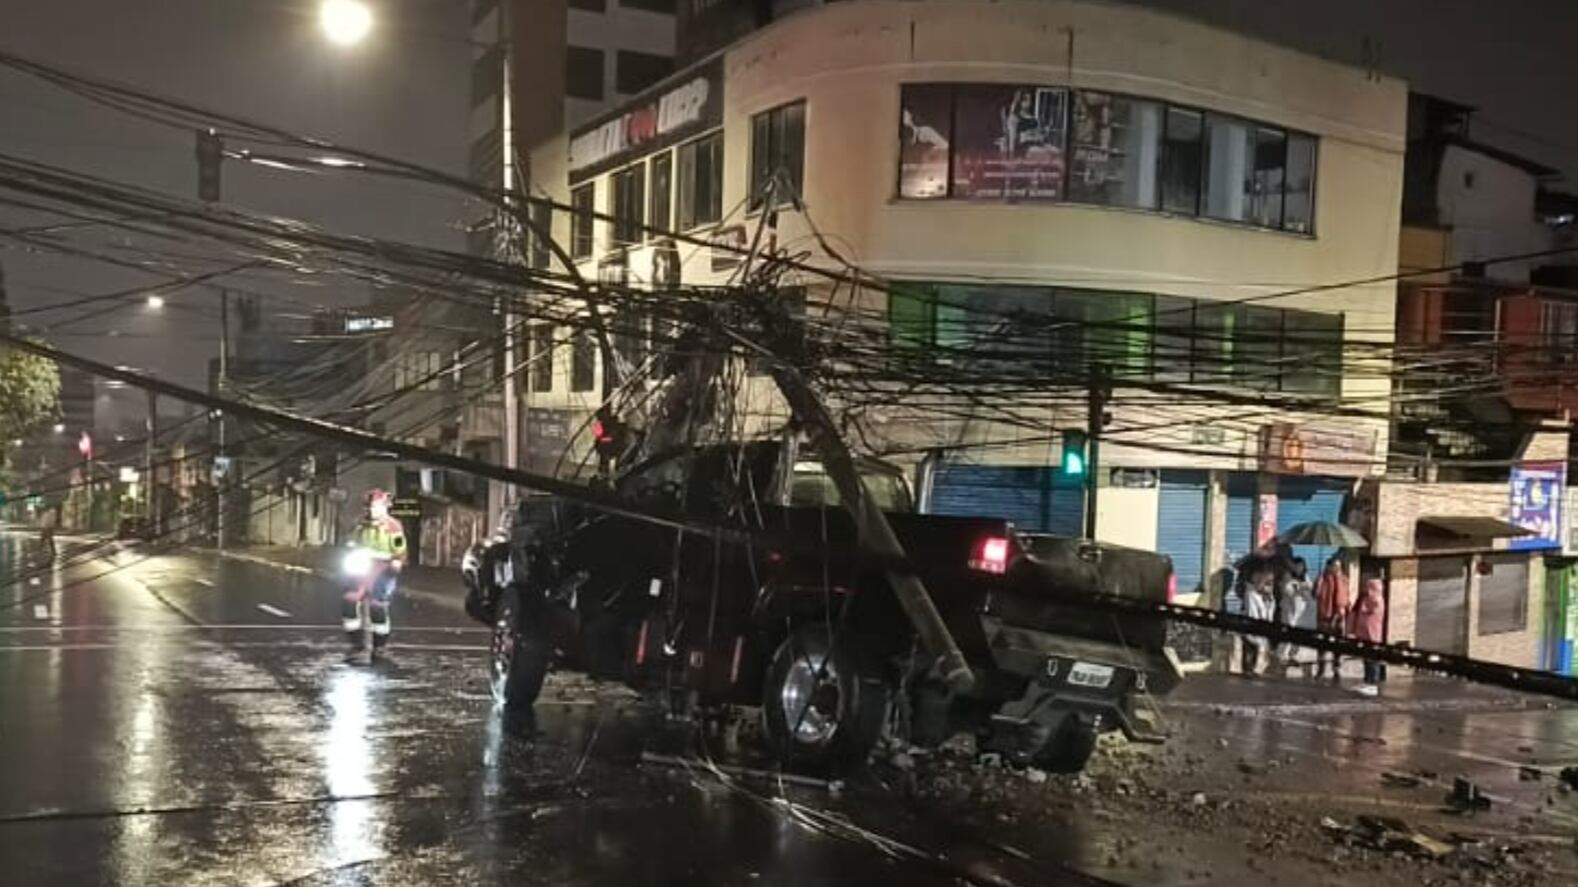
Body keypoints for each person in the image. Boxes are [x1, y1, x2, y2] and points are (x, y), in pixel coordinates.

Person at [344, 489, 407, 664]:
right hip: (361, 566)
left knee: (377, 607)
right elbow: (350, 542)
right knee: (349, 602)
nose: (372, 511)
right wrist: (350, 550)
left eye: (376, 507)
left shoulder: (393, 526)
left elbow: (399, 549)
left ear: (385, 507)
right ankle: (356, 645)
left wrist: (396, 562)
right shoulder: (359, 525)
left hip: (383, 569)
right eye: (370, 507)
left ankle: (380, 647)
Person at [1276, 558, 1317, 676]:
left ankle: (1294, 656)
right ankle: (1281, 659)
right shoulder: (1287, 577)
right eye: (1297, 566)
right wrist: (1298, 587)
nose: (1299, 568)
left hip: (1302, 613)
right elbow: (1287, 591)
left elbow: (1311, 591)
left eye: (1302, 566)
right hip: (1290, 611)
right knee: (1287, 635)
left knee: (1300, 636)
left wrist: (1307, 588)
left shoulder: (1306, 577)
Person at [1314, 558, 1350, 682]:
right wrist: (1318, 581)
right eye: (1334, 566)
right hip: (1323, 617)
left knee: (1337, 647)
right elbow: (1315, 594)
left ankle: (1336, 669)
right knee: (1321, 646)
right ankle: (1321, 669)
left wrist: (1339, 614)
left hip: (1338, 617)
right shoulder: (1323, 579)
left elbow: (1343, 599)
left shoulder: (1343, 579)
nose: (1336, 569)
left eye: (1338, 566)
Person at [1349, 578, 1386, 697]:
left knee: (1372, 659)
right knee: (1366, 659)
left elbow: (1371, 609)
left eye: (1368, 587)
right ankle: (1367, 681)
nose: (1365, 589)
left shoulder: (1377, 599)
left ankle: (1373, 684)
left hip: (1372, 634)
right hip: (1363, 633)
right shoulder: (1365, 598)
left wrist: (1365, 599)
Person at [1242, 569, 1275, 674]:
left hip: (1263, 628)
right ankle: (1248, 669)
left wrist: (1269, 600)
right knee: (1250, 648)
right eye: (1266, 583)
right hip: (1252, 626)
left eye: (1270, 584)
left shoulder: (1269, 598)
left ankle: (1256, 669)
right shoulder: (1251, 594)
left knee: (1259, 650)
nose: (1268, 587)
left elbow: (1270, 612)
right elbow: (1253, 612)